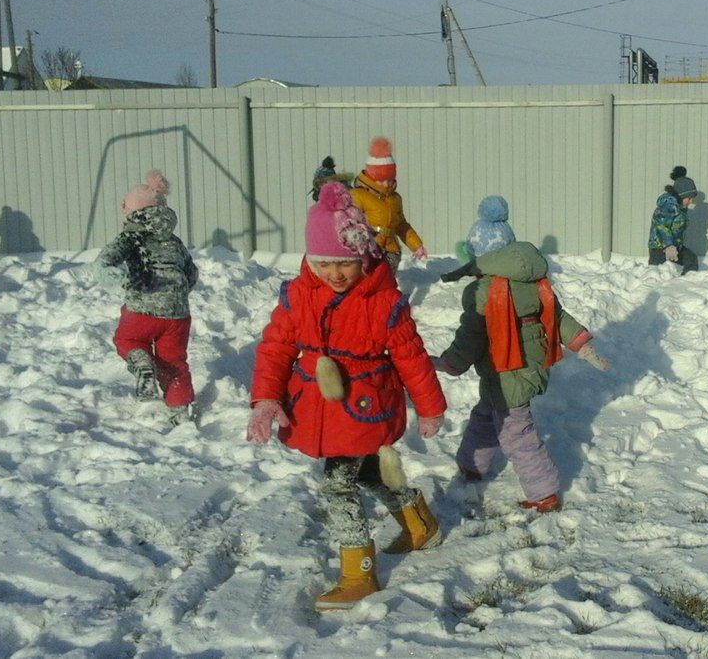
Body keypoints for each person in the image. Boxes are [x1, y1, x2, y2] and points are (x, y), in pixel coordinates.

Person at [246, 180, 447, 611]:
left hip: (365, 405)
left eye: (345, 264)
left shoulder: (383, 301)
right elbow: (276, 347)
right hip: (317, 403)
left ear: (363, 256)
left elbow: (411, 357)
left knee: (338, 484)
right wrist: (266, 398)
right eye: (323, 263)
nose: (334, 274)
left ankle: (359, 573)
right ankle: (419, 523)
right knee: (370, 472)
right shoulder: (298, 295)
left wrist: (430, 407)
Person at [432, 196, 611, 513]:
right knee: (487, 413)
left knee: (516, 432)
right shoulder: (533, 282)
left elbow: (471, 336)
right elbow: (557, 316)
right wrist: (581, 344)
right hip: (522, 367)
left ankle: (544, 491)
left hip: (508, 371)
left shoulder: (483, 291)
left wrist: (450, 363)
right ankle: (472, 464)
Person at [96, 170, 199, 426]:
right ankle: (180, 412)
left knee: (127, 339)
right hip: (177, 314)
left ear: (133, 210)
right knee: (173, 361)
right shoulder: (174, 241)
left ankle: (141, 362)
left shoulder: (131, 236)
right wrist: (177, 294)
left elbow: (107, 259)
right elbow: (191, 272)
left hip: (142, 307)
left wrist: (111, 273)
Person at [351, 136, 427, 271]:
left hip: (391, 250)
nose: (386, 184)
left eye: (390, 180)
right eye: (381, 180)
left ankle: (387, 285)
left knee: (386, 276)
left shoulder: (395, 199)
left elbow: (401, 225)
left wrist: (417, 245)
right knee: (369, 276)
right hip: (369, 247)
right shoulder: (358, 195)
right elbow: (349, 223)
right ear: (370, 178)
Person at [647, 165, 699, 275]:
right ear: (681, 195)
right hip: (659, 247)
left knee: (691, 259)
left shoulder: (681, 208)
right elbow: (662, 226)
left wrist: (674, 246)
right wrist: (668, 245)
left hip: (675, 246)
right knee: (658, 272)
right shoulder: (668, 205)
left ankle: (689, 280)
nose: (691, 202)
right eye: (689, 198)